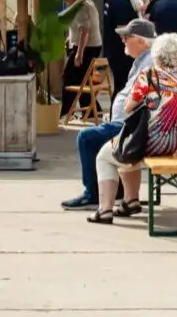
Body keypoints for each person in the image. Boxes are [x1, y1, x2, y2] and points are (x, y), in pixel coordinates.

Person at [92, 33, 177, 223]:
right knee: (124, 148)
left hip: (154, 145)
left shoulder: (149, 75)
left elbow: (129, 107)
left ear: (157, 54)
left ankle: (104, 210)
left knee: (106, 155)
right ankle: (131, 201)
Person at [63, 18, 158, 210]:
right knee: (95, 138)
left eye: (127, 37)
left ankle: (93, 195)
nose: (122, 40)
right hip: (128, 123)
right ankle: (119, 193)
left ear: (141, 41)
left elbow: (138, 101)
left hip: (131, 126)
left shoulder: (149, 63)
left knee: (86, 137)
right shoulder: (142, 60)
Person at [101, 0, 144, 93]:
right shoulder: (121, 4)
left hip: (115, 53)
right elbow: (124, 33)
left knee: (121, 88)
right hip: (122, 56)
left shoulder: (112, 0)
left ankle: (118, 112)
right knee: (124, 89)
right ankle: (119, 113)